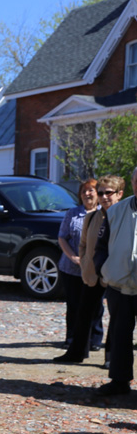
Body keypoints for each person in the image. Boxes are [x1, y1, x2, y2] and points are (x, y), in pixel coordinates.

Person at [56, 175, 121, 365]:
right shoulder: (92, 217)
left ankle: (112, 358)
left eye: (108, 193)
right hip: (92, 273)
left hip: (117, 275)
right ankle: (76, 353)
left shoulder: (124, 217)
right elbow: (83, 244)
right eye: (101, 193)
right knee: (83, 313)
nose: (104, 197)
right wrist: (85, 263)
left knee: (117, 317)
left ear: (119, 194)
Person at [92, 166, 137, 397]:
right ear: (133, 183)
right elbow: (101, 246)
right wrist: (103, 270)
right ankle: (119, 381)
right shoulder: (116, 211)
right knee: (120, 335)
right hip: (119, 285)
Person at [55, 179, 100, 352]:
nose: (87, 194)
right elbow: (62, 237)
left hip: (95, 268)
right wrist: (73, 257)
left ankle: (94, 339)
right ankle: (72, 339)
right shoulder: (72, 213)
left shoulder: (104, 213)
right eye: (83, 191)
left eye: (91, 190)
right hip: (71, 268)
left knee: (95, 305)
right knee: (74, 305)